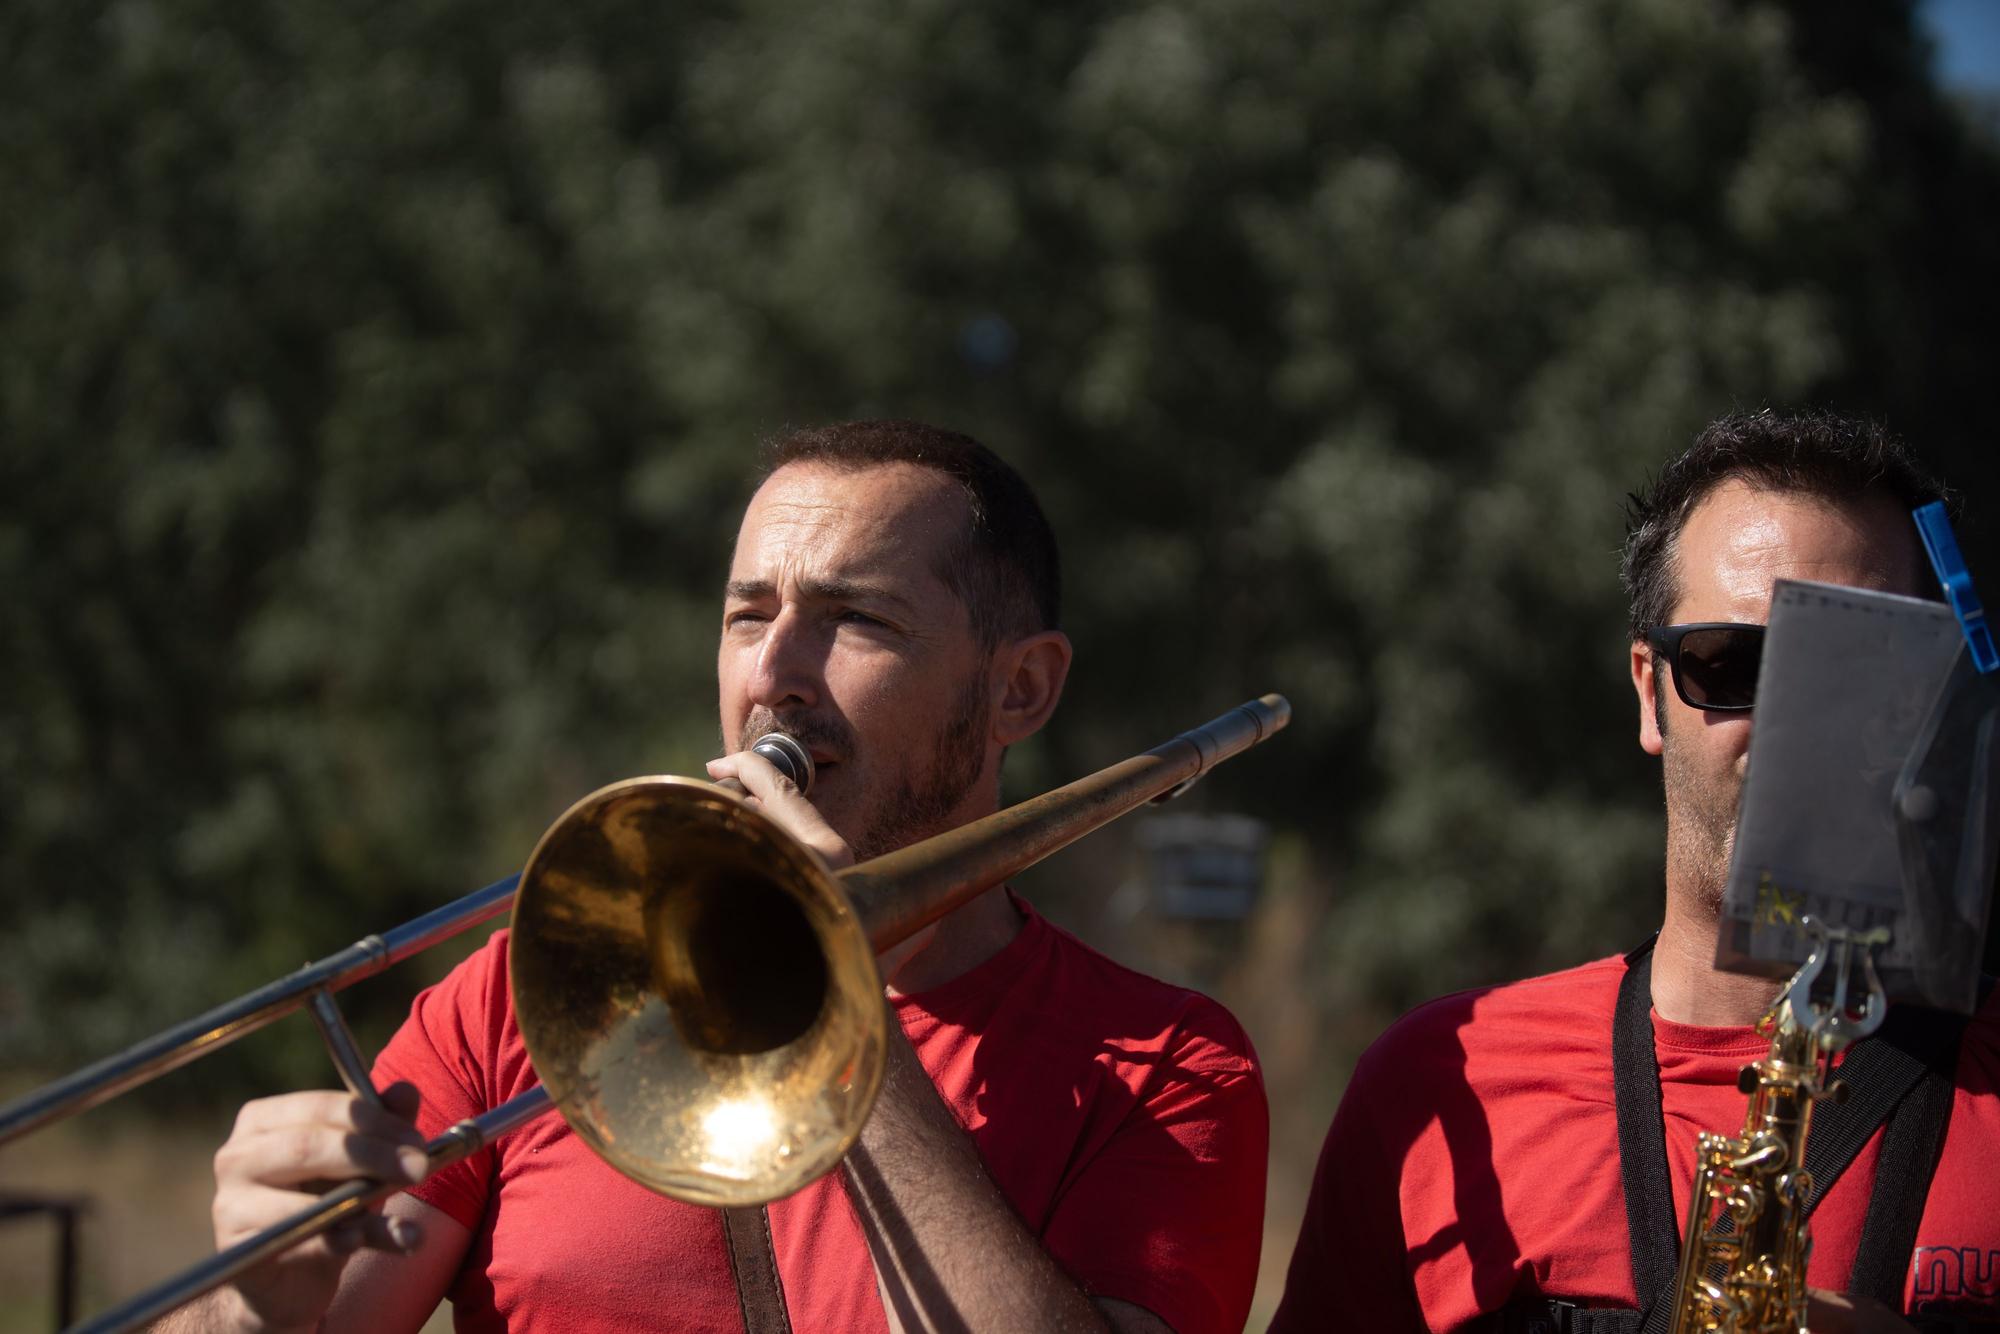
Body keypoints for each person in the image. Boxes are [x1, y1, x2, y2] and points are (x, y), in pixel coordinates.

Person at [178, 421, 1268, 1334]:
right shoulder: (531, 988)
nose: (773, 672)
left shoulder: (1169, 1065)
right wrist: (254, 1303)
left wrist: (833, 979)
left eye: (857, 619)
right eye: (748, 613)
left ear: (1019, 690)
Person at [1270, 411, 2000, 1334]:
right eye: (1731, 664)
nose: (1793, 729)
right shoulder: (1432, 1087)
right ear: (1650, 692)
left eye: (1856, 671)